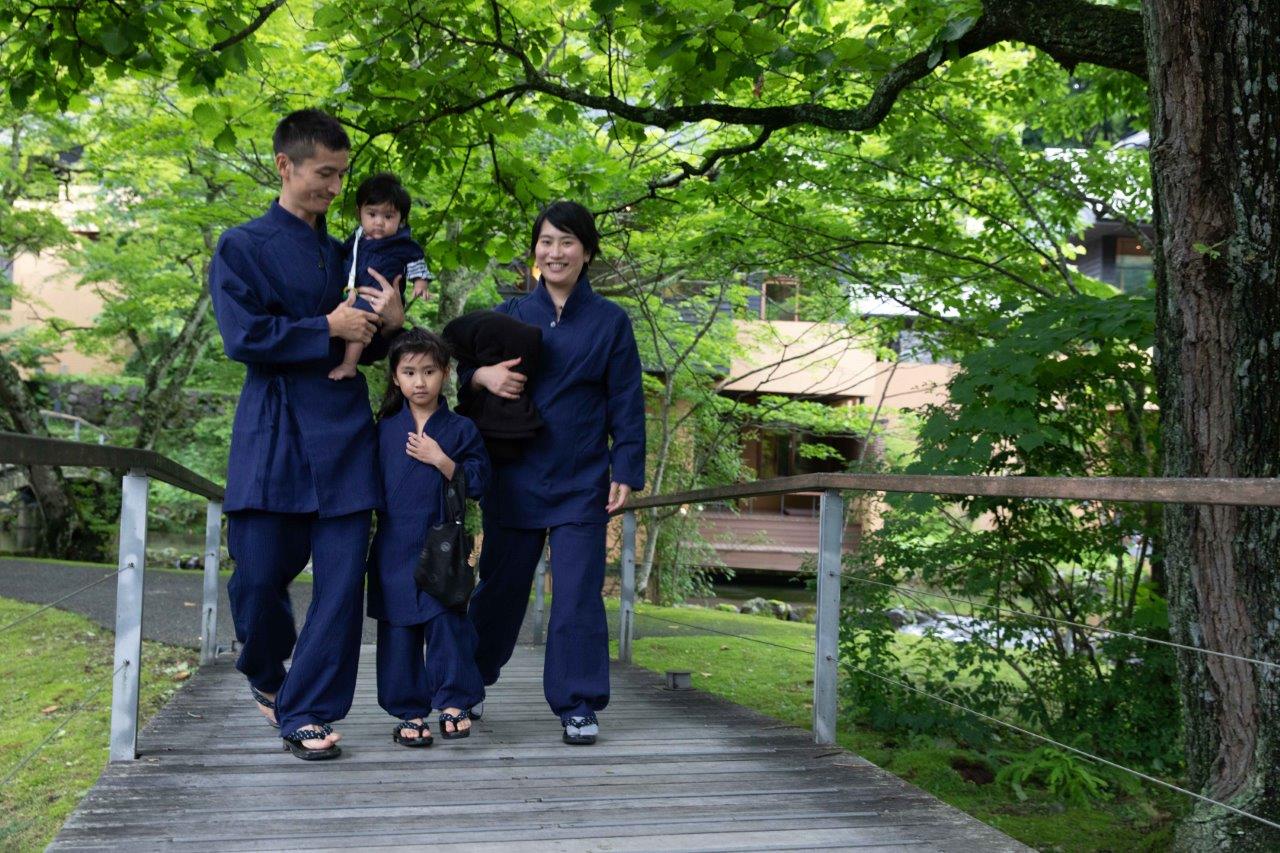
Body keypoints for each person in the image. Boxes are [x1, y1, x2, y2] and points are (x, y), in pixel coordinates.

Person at [210, 108, 405, 760]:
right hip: (273, 430)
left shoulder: (350, 253)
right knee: (258, 577)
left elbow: (370, 346)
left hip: (344, 432)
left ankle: (309, 710)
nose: (335, 187)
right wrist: (326, 326)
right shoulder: (241, 246)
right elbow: (243, 336)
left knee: (343, 583)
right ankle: (268, 674)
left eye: (341, 175)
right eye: (325, 173)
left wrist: (391, 324)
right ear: (284, 166)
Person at [463, 200, 646, 745]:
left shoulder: (611, 322)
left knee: (577, 594)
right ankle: (466, 684)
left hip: (582, 478)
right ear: (535, 251)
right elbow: (457, 367)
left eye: (567, 241)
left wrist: (625, 467)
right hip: (514, 474)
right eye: (546, 241)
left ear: (587, 252)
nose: (555, 252)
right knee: (500, 588)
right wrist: (482, 377)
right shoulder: (510, 312)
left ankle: (578, 702)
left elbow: (626, 400)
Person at [367, 328, 490, 745]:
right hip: (393, 544)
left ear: (445, 373)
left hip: (443, 542)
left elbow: (481, 482)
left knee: (447, 623)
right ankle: (408, 711)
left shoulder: (461, 429)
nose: (419, 382)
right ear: (396, 377)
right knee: (398, 628)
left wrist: (442, 461)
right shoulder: (384, 429)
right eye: (409, 372)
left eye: (429, 371)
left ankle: (454, 702)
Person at [329, 173, 433, 381]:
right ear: (359, 213)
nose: (379, 222)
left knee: (358, 319)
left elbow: (416, 261)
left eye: (388, 216)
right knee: (345, 316)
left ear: (401, 220)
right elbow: (344, 254)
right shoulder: (357, 238)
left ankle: (349, 365)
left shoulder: (402, 244)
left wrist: (420, 283)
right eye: (372, 214)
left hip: (378, 299)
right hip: (354, 293)